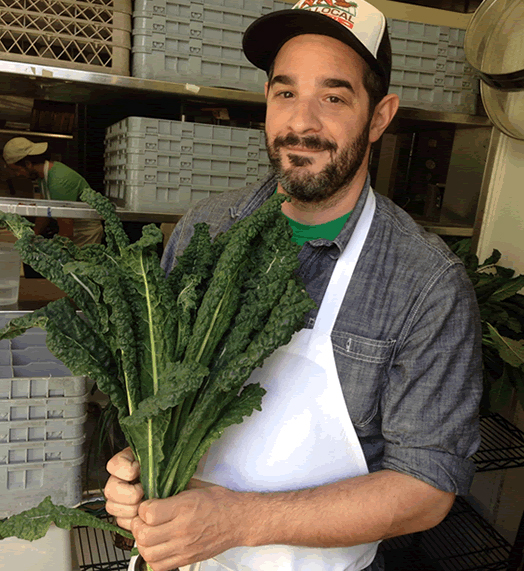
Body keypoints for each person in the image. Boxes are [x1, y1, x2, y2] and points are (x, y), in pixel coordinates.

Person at [104, 1, 483, 570]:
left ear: (380, 116)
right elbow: (159, 394)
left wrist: (238, 521)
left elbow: (427, 488)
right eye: (285, 93)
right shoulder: (203, 233)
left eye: (333, 97)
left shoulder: (425, 285)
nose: (301, 122)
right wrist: (137, 466)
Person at [2, 137, 104, 247]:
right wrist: (31, 236)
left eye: (17, 170)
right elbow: (44, 213)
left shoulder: (59, 180)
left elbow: (66, 232)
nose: (17, 174)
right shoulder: (42, 178)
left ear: (28, 164)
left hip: (85, 235)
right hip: (74, 231)